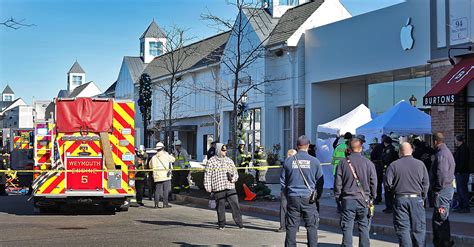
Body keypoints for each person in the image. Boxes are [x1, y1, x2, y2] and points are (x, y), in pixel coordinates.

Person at [334, 135, 377, 247]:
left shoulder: (343, 163)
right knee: (364, 226)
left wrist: (338, 198)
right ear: (361, 148)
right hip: (364, 199)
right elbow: (374, 182)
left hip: (348, 199)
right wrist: (373, 196)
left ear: (349, 148)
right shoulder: (368, 163)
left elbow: (338, 183)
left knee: (347, 226)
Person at [280, 136, 323, 247]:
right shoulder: (315, 161)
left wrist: (288, 194)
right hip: (308, 198)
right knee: (311, 226)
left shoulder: (288, 161)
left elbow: (283, 181)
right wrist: (317, 196)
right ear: (308, 146)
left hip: (293, 196)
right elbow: (320, 181)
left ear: (297, 146)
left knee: (292, 226)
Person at [385, 142, 430, 246]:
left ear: (400, 152)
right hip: (416, 199)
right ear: (412, 150)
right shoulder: (420, 164)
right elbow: (426, 183)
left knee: (403, 229)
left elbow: (387, 183)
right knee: (418, 229)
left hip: (400, 198)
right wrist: (423, 197)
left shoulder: (393, 165)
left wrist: (395, 191)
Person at [204, 143, 243, 230]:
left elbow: (235, 173)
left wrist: (233, 179)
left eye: (226, 150)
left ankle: (240, 223)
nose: (225, 151)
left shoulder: (229, 161)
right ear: (218, 150)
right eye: (223, 150)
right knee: (220, 206)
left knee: (235, 205)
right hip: (218, 187)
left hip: (230, 187)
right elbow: (207, 175)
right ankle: (221, 224)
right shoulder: (211, 161)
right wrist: (208, 187)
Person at [431, 132, 455, 247]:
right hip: (445, 189)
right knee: (441, 217)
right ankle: (443, 242)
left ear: (435, 142)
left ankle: (443, 243)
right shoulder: (445, 152)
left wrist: (437, 188)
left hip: (442, 191)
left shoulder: (442, 154)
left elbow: (442, 174)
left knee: (440, 219)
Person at [277, 149, 297, 233]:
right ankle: (285, 226)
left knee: (288, 208)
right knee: (287, 208)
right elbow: (282, 178)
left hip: (290, 189)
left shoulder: (288, 164)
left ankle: (286, 226)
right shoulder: (288, 164)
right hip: (291, 189)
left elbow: (282, 178)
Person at [332, 132, 352, 213]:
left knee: (338, 189)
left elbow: (333, 159)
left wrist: (337, 138)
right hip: (347, 171)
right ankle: (346, 206)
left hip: (336, 170)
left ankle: (339, 207)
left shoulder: (338, 146)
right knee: (347, 189)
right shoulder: (350, 147)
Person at [151, 142, 175, 208]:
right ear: (163, 148)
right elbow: (173, 159)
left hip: (157, 176)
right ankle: (165, 204)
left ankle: (156, 205)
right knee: (166, 190)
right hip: (165, 176)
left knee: (157, 190)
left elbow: (150, 165)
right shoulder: (166, 155)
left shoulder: (154, 157)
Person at [453, 135, 471, 213]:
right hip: (461, 172)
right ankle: (461, 206)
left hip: (462, 173)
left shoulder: (463, 149)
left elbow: (463, 161)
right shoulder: (460, 148)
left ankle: (465, 207)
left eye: (455, 140)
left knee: (462, 190)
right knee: (460, 190)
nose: (455, 142)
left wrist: (459, 170)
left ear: (459, 140)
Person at [381, 136, 399, 213]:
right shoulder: (394, 148)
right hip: (394, 169)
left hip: (388, 169)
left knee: (387, 188)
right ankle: (392, 206)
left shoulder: (388, 149)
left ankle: (389, 207)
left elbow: (386, 159)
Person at [370, 135, 385, 204]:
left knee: (377, 183)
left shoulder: (377, 148)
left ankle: (377, 198)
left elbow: (372, 156)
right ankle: (379, 197)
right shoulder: (386, 147)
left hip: (377, 166)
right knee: (380, 183)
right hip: (383, 167)